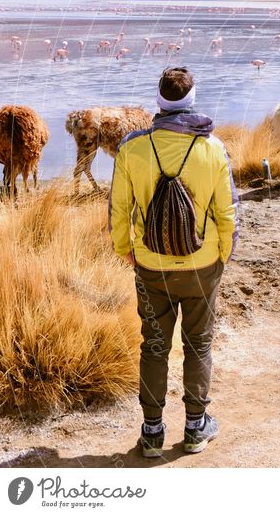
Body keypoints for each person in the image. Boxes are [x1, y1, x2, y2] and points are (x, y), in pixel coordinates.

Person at [109, 67, 238, 458]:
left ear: (160, 101)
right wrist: (223, 251)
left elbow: (119, 208)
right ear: (192, 98)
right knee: (198, 345)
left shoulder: (132, 148)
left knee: (154, 346)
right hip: (202, 267)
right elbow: (227, 209)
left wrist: (124, 248)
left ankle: (151, 432)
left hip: (151, 267)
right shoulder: (211, 148)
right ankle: (196, 427)